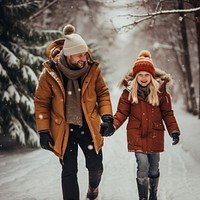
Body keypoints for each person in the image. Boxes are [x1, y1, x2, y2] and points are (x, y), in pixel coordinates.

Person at [34, 24, 115, 200]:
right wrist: (43, 131)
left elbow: (103, 94)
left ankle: (93, 188)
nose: (84, 58)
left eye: (85, 54)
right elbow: (41, 103)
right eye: (79, 55)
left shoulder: (92, 69)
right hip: (64, 129)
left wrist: (107, 117)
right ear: (68, 55)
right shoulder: (50, 73)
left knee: (96, 166)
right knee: (69, 171)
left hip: (88, 125)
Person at [113, 50, 180, 200]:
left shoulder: (161, 93)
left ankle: (153, 194)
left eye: (146, 75)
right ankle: (143, 197)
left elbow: (168, 114)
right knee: (142, 165)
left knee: (154, 166)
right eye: (140, 75)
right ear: (135, 77)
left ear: (152, 76)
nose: (143, 78)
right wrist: (112, 125)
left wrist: (174, 130)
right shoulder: (129, 93)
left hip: (155, 134)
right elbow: (121, 113)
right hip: (137, 134)